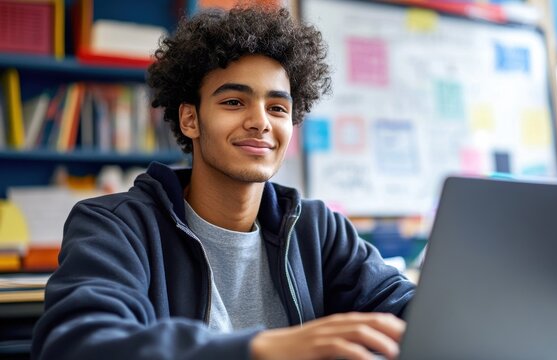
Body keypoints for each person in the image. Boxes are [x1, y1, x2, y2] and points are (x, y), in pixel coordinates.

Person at [32, 6, 415, 360]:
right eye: (234, 102)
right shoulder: (115, 226)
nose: (260, 122)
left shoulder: (317, 229)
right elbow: (77, 343)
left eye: (277, 108)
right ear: (190, 120)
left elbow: (406, 309)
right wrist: (262, 348)